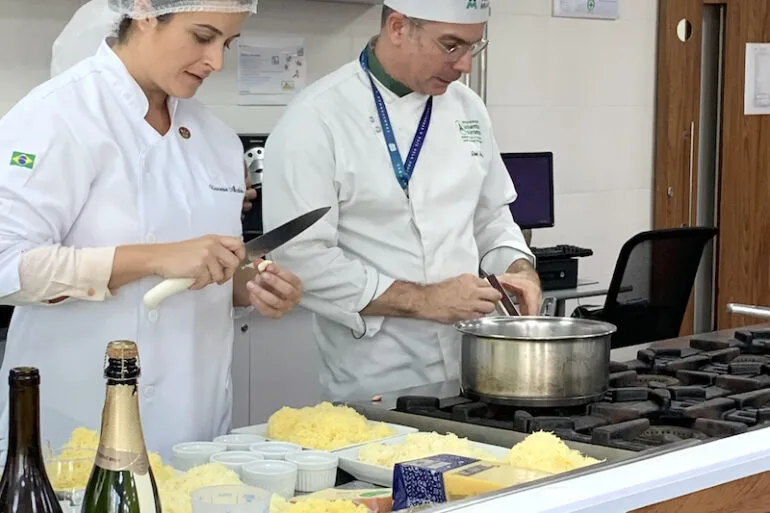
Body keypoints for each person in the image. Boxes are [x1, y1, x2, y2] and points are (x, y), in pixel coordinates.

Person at [0, 0, 304, 459]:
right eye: (203, 36)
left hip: (196, 425)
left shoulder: (217, 140)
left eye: (227, 43)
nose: (216, 61)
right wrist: (155, 257)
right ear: (144, 12)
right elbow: (7, 267)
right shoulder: (56, 115)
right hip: (78, 424)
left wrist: (250, 286)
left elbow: (201, 269)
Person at [262, 0, 542, 402]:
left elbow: (491, 217)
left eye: (473, 47)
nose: (464, 65)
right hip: (377, 377)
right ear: (398, 27)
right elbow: (300, 258)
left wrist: (518, 267)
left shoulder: (468, 108)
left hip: (473, 367)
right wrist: (426, 301)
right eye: (451, 45)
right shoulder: (316, 118)